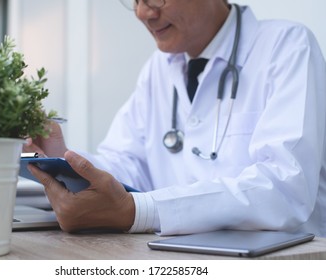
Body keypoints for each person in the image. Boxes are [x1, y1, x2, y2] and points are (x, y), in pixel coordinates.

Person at [24, 0, 326, 237]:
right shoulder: (159, 68)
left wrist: (141, 211)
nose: (143, 13)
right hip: (177, 256)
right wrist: (60, 158)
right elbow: (129, 167)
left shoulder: (287, 46)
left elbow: (284, 189)